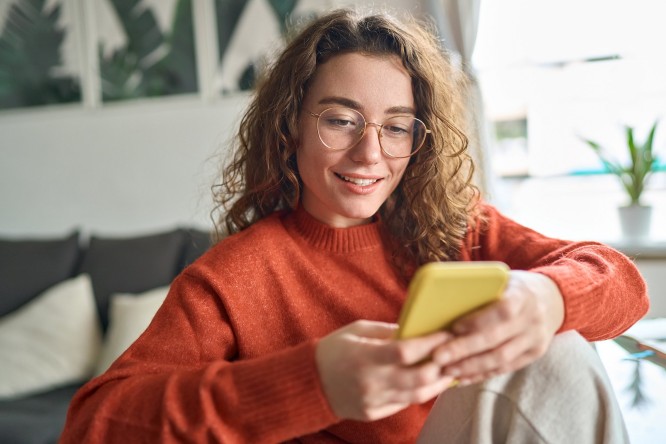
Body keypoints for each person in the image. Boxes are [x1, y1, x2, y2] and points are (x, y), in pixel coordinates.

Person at [60, 8, 648, 444]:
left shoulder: (457, 227)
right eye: (341, 120)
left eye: (396, 127)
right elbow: (92, 425)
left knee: (561, 346)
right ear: (289, 125)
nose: (370, 154)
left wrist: (546, 298)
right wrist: (312, 383)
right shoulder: (232, 278)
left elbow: (623, 283)